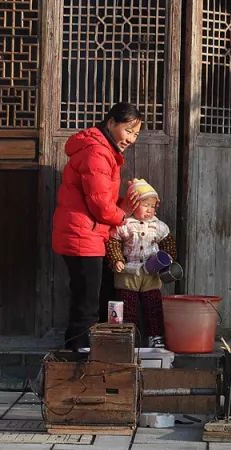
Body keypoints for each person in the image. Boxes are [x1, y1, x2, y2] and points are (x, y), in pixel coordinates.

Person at [51, 102, 143, 350]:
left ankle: (86, 359)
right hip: (83, 237)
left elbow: (101, 200)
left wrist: (125, 203)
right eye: (129, 130)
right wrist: (124, 216)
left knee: (95, 301)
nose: (132, 139)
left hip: (88, 235)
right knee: (87, 307)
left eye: (136, 134)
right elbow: (101, 206)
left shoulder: (102, 149)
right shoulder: (97, 153)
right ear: (111, 123)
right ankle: (76, 364)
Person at [105, 179, 177, 347]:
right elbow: (112, 242)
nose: (149, 210)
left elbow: (168, 242)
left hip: (151, 273)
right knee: (127, 306)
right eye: (145, 205)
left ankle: (156, 336)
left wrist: (168, 258)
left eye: (152, 206)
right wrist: (116, 259)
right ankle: (127, 337)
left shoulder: (158, 226)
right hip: (128, 271)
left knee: (153, 305)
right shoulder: (125, 224)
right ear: (133, 205)